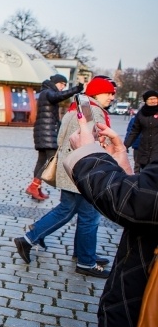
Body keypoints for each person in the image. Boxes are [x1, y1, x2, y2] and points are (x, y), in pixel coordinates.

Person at [64, 115, 157, 327]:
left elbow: (133, 203)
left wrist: (88, 155)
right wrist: (124, 170)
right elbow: (147, 202)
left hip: (148, 320)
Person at [12, 76, 116, 278]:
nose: (112, 96)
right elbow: (96, 143)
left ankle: (81, 252)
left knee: (69, 210)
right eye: (109, 92)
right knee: (89, 216)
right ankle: (84, 260)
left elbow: (61, 137)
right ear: (96, 93)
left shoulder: (75, 107)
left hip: (70, 167)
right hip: (84, 169)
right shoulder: (94, 111)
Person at [25, 74, 83, 201]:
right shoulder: (48, 92)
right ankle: (34, 187)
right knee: (51, 160)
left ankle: (37, 188)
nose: (63, 87)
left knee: (41, 161)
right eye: (62, 84)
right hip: (47, 132)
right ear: (56, 83)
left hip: (43, 132)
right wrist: (77, 89)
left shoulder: (44, 92)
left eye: (65, 85)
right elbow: (58, 96)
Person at [125, 90, 158, 172]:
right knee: (145, 173)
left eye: (155, 98)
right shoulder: (141, 113)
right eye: (150, 99)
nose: (153, 101)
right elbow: (134, 131)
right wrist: (126, 145)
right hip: (144, 150)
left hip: (156, 149)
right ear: (145, 101)